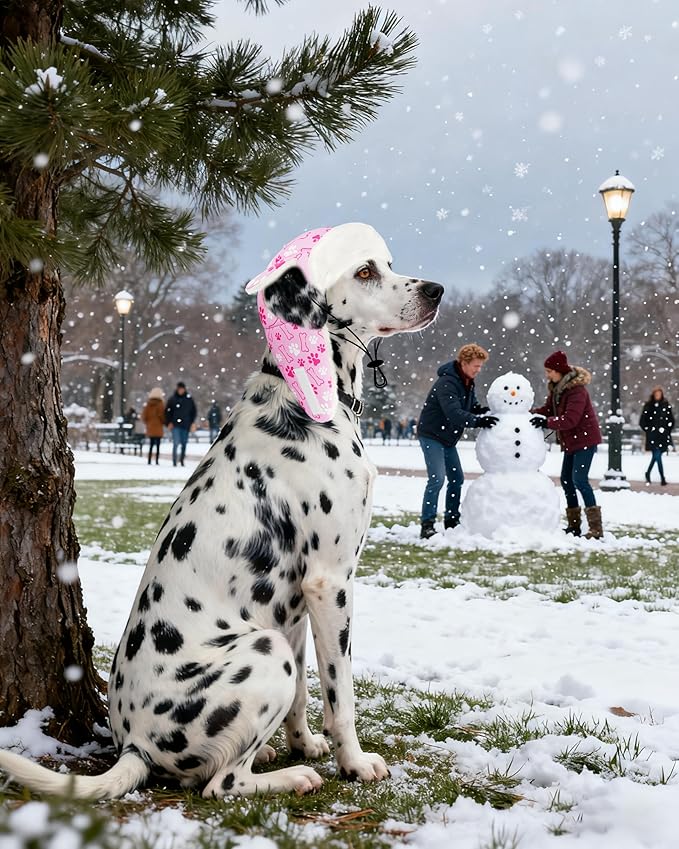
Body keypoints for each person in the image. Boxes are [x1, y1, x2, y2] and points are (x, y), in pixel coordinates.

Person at [417, 343, 497, 539]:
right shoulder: (448, 383)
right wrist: (479, 421)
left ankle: (451, 519)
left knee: (457, 479)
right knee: (437, 479)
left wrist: (489, 411)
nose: (479, 370)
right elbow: (454, 413)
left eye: (480, 366)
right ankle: (427, 524)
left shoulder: (467, 382)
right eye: (476, 366)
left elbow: (472, 407)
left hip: (447, 438)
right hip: (432, 435)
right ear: (464, 363)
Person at [531, 350, 603, 539]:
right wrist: (527, 413)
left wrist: (546, 423)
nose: (547, 375)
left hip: (585, 440)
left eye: (549, 371)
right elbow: (547, 410)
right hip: (572, 441)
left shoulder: (576, 391)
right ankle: (574, 526)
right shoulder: (558, 389)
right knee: (566, 480)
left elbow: (570, 419)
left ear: (559, 371)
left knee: (579, 479)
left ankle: (596, 528)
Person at [639, 386, 675, 485]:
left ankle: (648, 473)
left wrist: (667, 430)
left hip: (662, 436)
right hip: (653, 436)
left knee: (656, 456)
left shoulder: (666, 405)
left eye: (659, 394)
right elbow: (642, 421)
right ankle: (662, 478)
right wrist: (649, 430)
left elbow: (671, 420)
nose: (657, 396)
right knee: (657, 455)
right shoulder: (649, 406)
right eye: (656, 394)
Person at [165, 381, 197, 467]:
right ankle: (174, 461)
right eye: (179, 389)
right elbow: (168, 412)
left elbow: (193, 411)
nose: (180, 390)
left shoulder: (189, 399)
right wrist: (169, 422)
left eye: (182, 389)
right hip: (175, 425)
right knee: (176, 443)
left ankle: (182, 460)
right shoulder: (172, 399)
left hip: (186, 425)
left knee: (184, 443)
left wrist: (191, 422)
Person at [141, 387, 165, 465]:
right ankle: (157, 460)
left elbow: (144, 416)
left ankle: (149, 460)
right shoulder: (161, 404)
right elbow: (162, 416)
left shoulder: (148, 404)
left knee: (151, 445)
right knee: (158, 445)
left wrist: (148, 422)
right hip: (158, 428)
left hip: (150, 427)